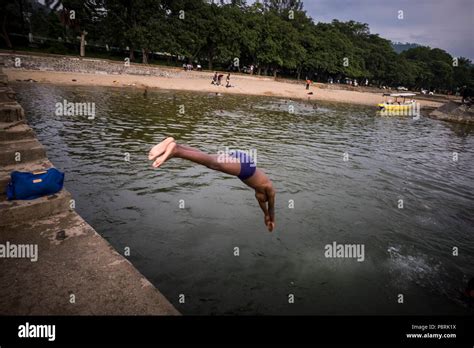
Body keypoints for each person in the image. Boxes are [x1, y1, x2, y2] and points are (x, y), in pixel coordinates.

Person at [148, 137, 276, 232]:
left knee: (208, 159)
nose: (263, 201)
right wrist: (272, 219)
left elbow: (266, 209)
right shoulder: (269, 188)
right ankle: (176, 151)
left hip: (242, 161)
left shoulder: (258, 195)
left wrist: (266, 217)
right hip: (246, 167)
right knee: (213, 163)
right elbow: (271, 206)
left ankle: (174, 146)